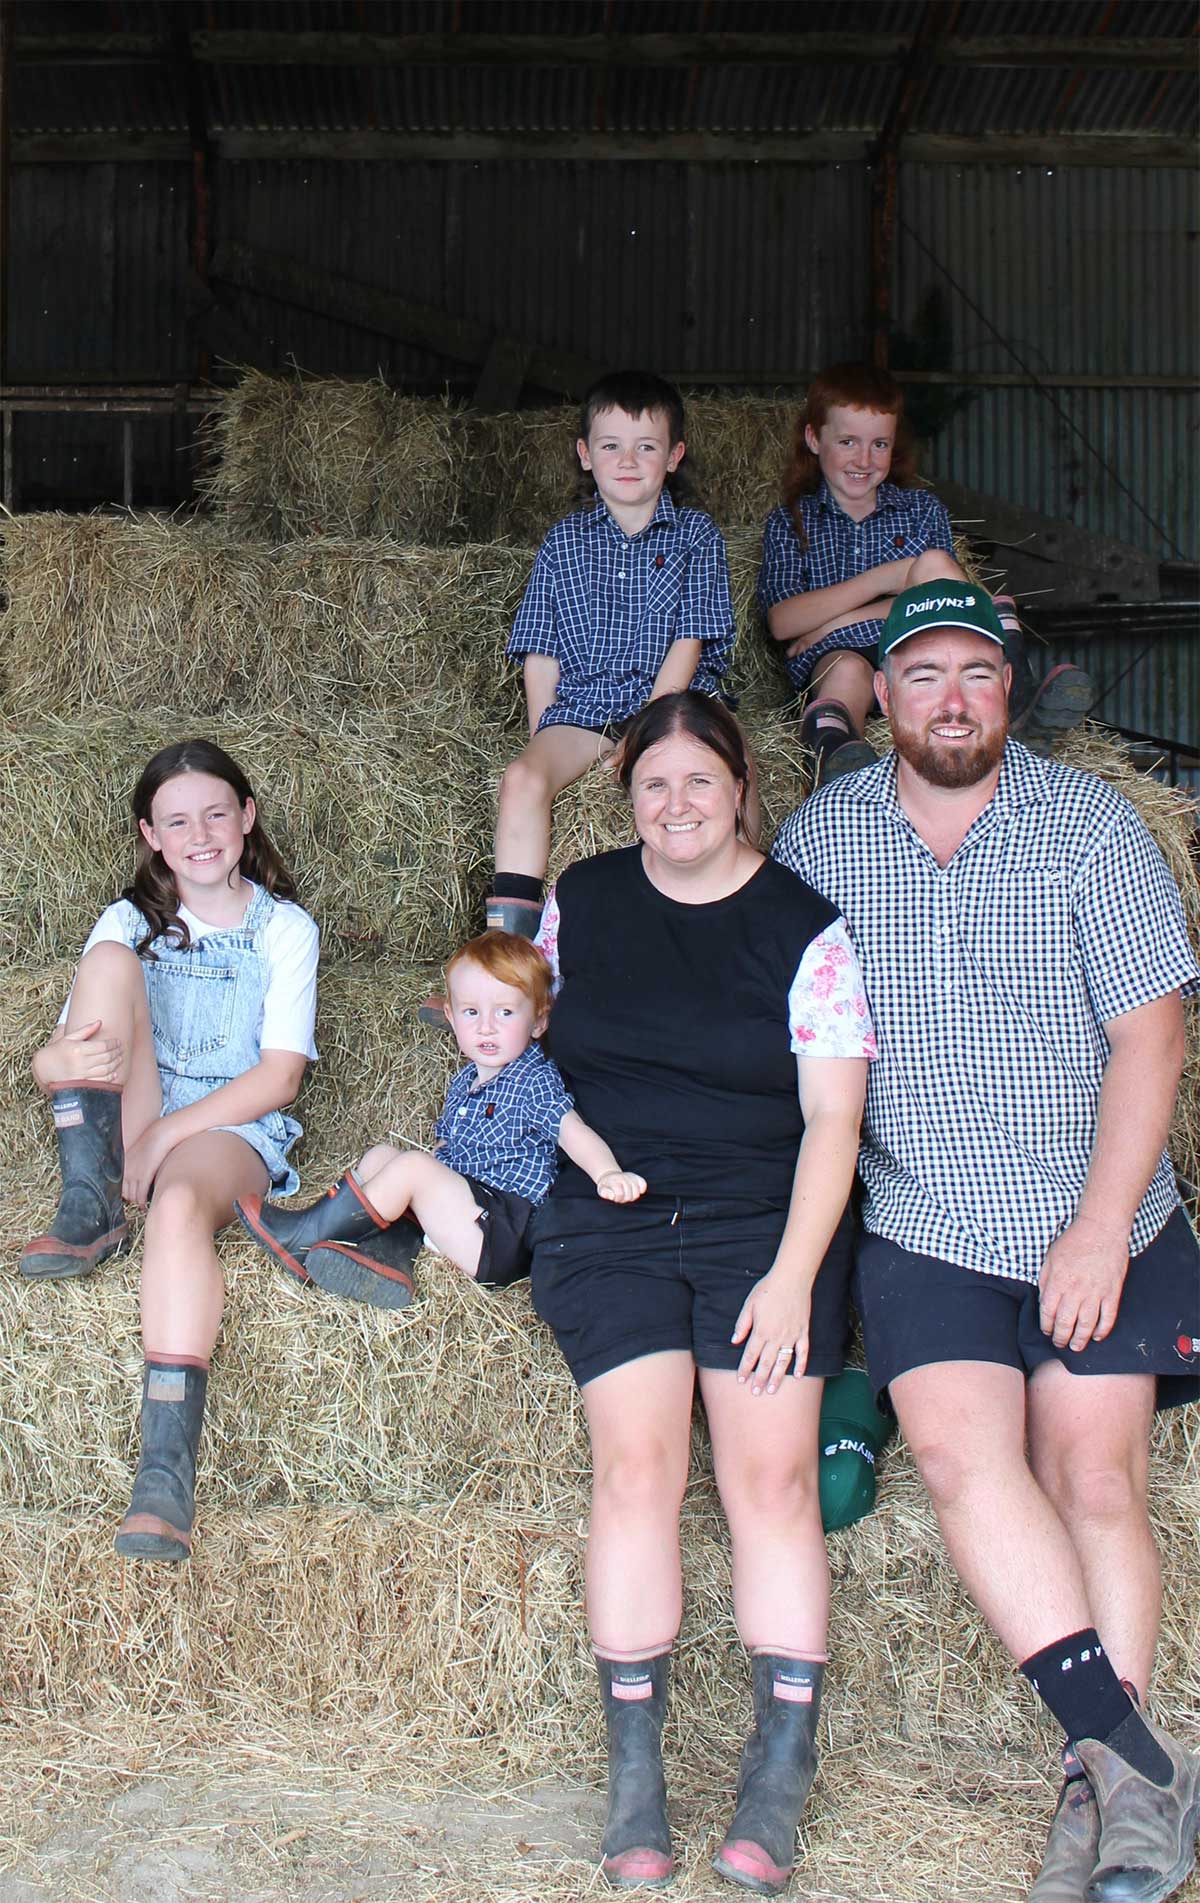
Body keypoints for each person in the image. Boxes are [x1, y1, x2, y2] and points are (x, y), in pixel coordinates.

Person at [773, 575, 1200, 1903]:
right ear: (882, 693)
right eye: (922, 675)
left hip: (1102, 1209)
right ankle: (1132, 1769)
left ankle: (1104, 1791)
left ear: (1009, 690)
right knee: (963, 1455)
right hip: (926, 1216)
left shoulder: (1093, 830)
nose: (949, 699)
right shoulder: (821, 845)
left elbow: (1153, 1034)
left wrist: (1092, 1232)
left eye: (975, 673)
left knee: (1094, 1474)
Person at [528, 690, 874, 1894]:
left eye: (699, 783)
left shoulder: (806, 927)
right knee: (636, 1466)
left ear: (744, 789)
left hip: (762, 1224)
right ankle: (636, 1766)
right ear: (628, 800)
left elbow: (836, 1117)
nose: (676, 807)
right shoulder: (585, 899)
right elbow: (513, 1030)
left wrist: (791, 1278)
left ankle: (781, 1756)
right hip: (611, 1218)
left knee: (767, 1476)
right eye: (651, 787)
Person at [20, 740, 319, 1565]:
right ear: (150, 833)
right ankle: (88, 1207)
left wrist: (159, 1136)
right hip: (146, 1101)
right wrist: (56, 1069)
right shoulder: (128, 919)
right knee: (113, 959)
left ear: (247, 818)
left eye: (217, 813)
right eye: (177, 819)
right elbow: (61, 1059)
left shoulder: (283, 929)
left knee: (182, 1204)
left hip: (230, 1128)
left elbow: (281, 1076)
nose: (200, 834)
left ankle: (162, 1472)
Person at [236, 931, 646, 1307]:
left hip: (499, 1233)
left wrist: (607, 1173)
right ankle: (387, 1260)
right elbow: (448, 1150)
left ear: (539, 1021)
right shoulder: (466, 1079)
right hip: (463, 1209)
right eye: (471, 1012)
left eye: (505, 1012)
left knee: (413, 1168)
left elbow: (573, 1133)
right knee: (384, 1157)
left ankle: (305, 1237)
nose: (486, 1026)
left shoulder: (533, 1078)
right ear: (450, 1016)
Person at [490, 369, 736, 941]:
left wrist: (640, 740)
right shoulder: (563, 542)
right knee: (523, 779)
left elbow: (689, 643)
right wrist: (542, 737)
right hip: (583, 709)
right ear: (584, 454)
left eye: (645, 446)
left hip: (674, 708)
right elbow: (541, 653)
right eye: (610, 446)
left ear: (673, 456)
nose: (627, 460)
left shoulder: (697, 536)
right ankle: (511, 950)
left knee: (688, 789)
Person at [757, 361, 1090, 782]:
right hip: (834, 660)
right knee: (847, 672)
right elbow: (784, 621)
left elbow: (941, 597)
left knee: (934, 566)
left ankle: (1016, 700)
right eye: (847, 441)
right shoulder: (792, 520)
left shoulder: (920, 511)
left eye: (879, 444)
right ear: (813, 439)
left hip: (918, 651)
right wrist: (888, 578)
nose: (864, 458)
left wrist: (832, 622)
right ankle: (838, 760)